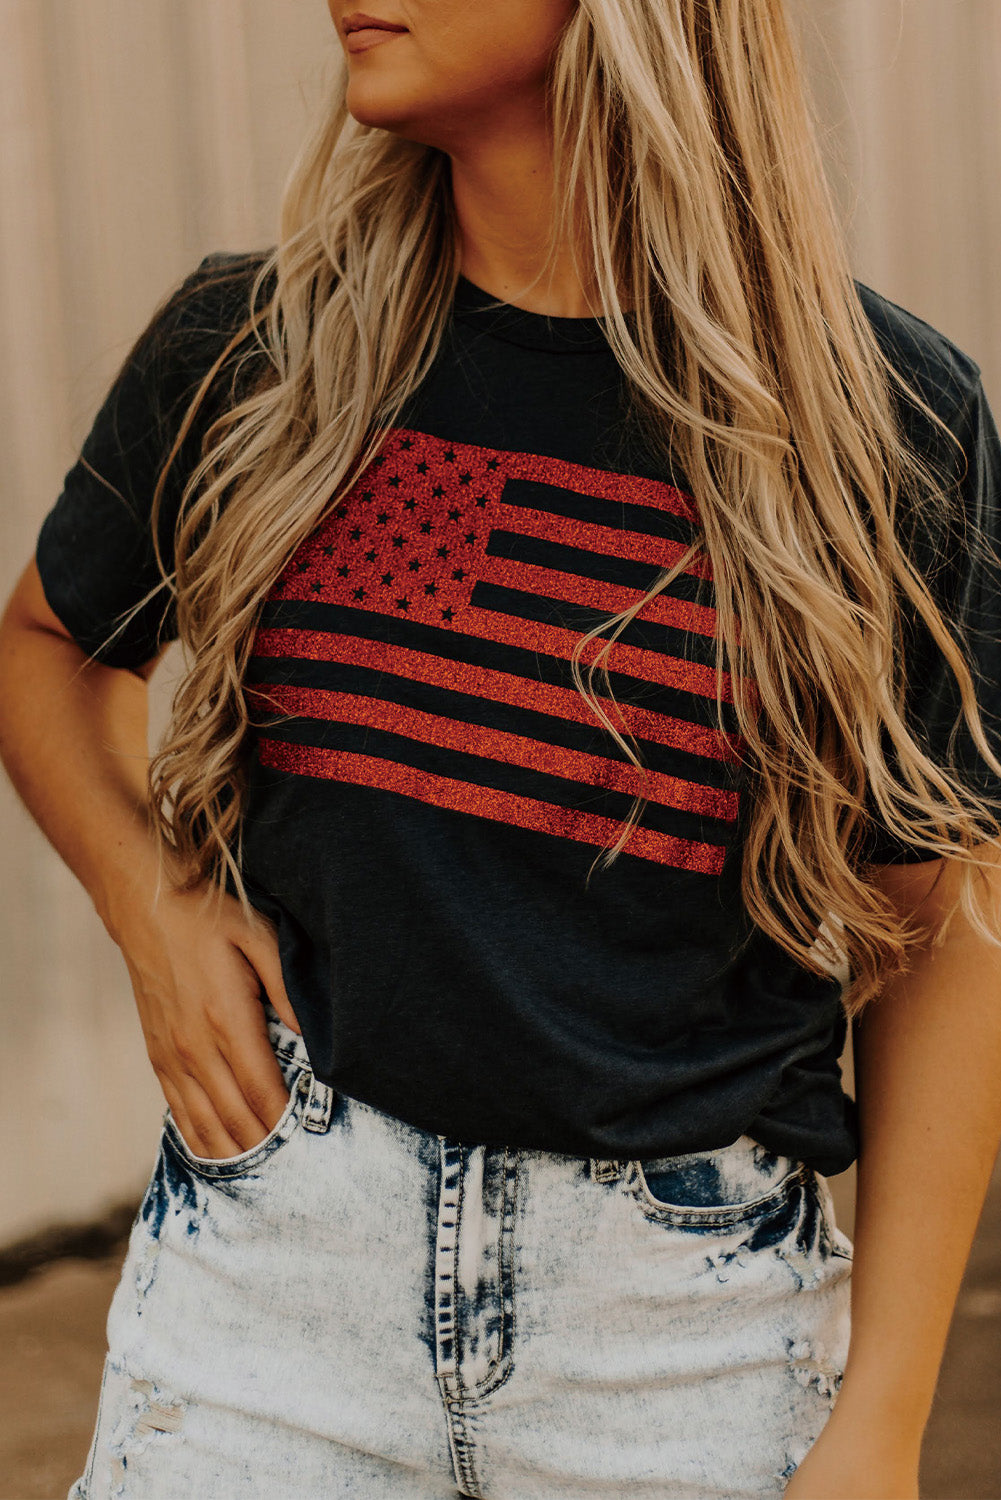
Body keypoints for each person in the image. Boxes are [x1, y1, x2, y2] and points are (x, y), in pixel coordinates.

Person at [2, 1, 1001, 1496]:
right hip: (271, 1296)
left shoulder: (882, 421)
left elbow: (944, 926)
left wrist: (882, 1419)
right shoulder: (263, 345)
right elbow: (47, 646)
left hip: (681, 1346)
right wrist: (149, 910)